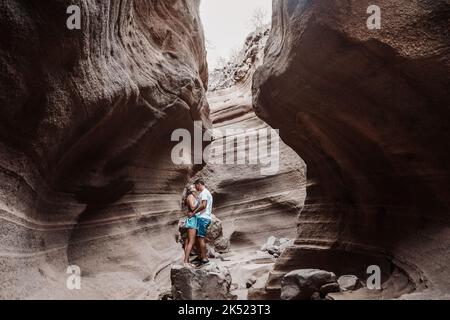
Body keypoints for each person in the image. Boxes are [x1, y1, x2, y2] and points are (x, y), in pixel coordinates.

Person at [190, 178, 213, 267]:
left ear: (199, 184)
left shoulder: (204, 193)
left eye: (196, 185)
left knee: (201, 238)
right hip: (204, 217)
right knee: (200, 237)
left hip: (203, 218)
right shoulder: (206, 193)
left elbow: (203, 205)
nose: (196, 187)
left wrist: (194, 212)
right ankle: (200, 256)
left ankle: (204, 258)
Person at [182, 184, 199, 264]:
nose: (195, 188)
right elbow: (192, 207)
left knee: (187, 241)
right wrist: (199, 202)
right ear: (191, 190)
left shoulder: (190, 196)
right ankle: (186, 261)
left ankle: (186, 260)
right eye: (194, 187)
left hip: (191, 219)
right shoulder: (191, 197)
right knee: (191, 242)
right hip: (192, 220)